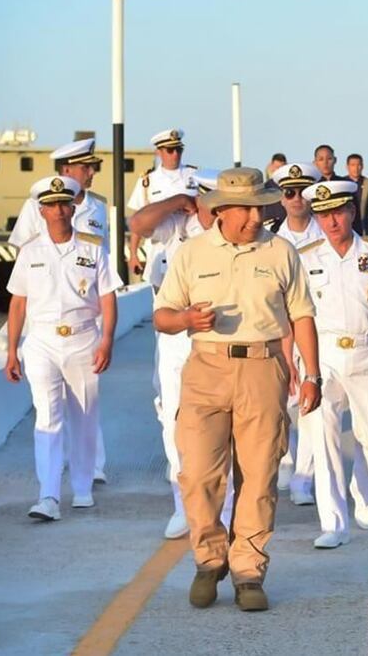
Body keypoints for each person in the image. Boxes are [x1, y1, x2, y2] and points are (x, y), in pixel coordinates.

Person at [153, 167, 321, 612]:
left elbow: (302, 314)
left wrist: (312, 374)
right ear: (221, 211)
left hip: (264, 369)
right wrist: (187, 320)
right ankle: (209, 561)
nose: (254, 216)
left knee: (260, 476)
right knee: (199, 476)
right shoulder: (191, 253)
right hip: (206, 368)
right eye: (245, 208)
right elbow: (162, 316)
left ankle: (248, 571)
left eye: (260, 206)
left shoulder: (281, 251)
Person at [295, 179, 368, 547]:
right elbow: (298, 314)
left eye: (337, 213)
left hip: (367, 351)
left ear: (350, 212)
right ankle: (333, 522)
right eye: (323, 215)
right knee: (323, 437)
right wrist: (297, 364)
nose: (330, 222)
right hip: (322, 354)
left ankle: (363, 490)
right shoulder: (306, 257)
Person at [4, 176, 122, 521]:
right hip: (41, 341)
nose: (58, 210)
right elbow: (17, 305)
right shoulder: (30, 251)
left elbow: (107, 296)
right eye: (51, 205)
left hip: (83, 338)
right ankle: (49, 495)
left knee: (84, 416)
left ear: (73, 207)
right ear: (41, 211)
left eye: (64, 204)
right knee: (47, 416)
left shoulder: (91, 247)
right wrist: (12, 351)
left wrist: (108, 340)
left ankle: (83, 487)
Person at [129, 167, 236, 538]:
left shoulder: (235, 238)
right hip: (176, 334)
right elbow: (138, 223)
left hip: (219, 335)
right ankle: (183, 505)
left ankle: (227, 508)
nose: (211, 211)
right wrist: (177, 202)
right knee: (174, 419)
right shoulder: (175, 228)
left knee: (226, 423)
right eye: (203, 201)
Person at [269, 162, 325, 505]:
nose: (296, 199)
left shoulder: (328, 233)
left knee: (312, 407)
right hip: (281, 332)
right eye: (289, 192)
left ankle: (304, 477)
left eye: (303, 192)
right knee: (282, 404)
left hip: (322, 332)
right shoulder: (271, 237)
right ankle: (287, 461)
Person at [126, 129, 199, 282]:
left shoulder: (195, 175)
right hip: (160, 249)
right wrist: (133, 254)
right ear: (158, 152)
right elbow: (138, 222)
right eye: (170, 150)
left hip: (190, 246)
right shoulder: (148, 181)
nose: (175, 155)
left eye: (179, 149)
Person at [341, 153, 368, 236]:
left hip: (364, 230)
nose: (356, 168)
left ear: (362, 166)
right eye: (353, 165)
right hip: (345, 229)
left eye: (359, 165)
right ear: (347, 167)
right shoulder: (341, 183)